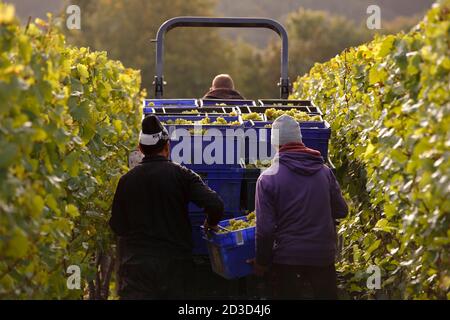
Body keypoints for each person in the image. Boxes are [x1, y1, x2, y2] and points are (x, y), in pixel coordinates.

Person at [109, 115, 224, 299]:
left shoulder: (126, 181)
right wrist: (210, 223)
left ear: (140, 149)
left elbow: (117, 226)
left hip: (137, 270)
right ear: (167, 147)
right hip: (175, 267)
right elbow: (216, 205)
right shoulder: (182, 175)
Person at [251, 115, 348, 300]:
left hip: (288, 259)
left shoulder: (268, 178)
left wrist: (262, 262)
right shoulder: (324, 172)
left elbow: (265, 230)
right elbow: (342, 211)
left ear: (275, 144)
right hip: (323, 256)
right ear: (299, 139)